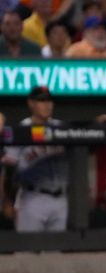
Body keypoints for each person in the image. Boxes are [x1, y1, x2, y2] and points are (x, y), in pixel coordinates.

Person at [1, 86, 69, 233]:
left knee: (56, 253)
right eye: (42, 101)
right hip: (33, 198)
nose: (47, 105)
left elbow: (85, 137)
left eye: (49, 101)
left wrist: (98, 122)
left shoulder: (61, 128)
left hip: (61, 198)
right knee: (27, 252)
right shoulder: (21, 130)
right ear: (31, 103)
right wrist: (8, 201)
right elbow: (9, 169)